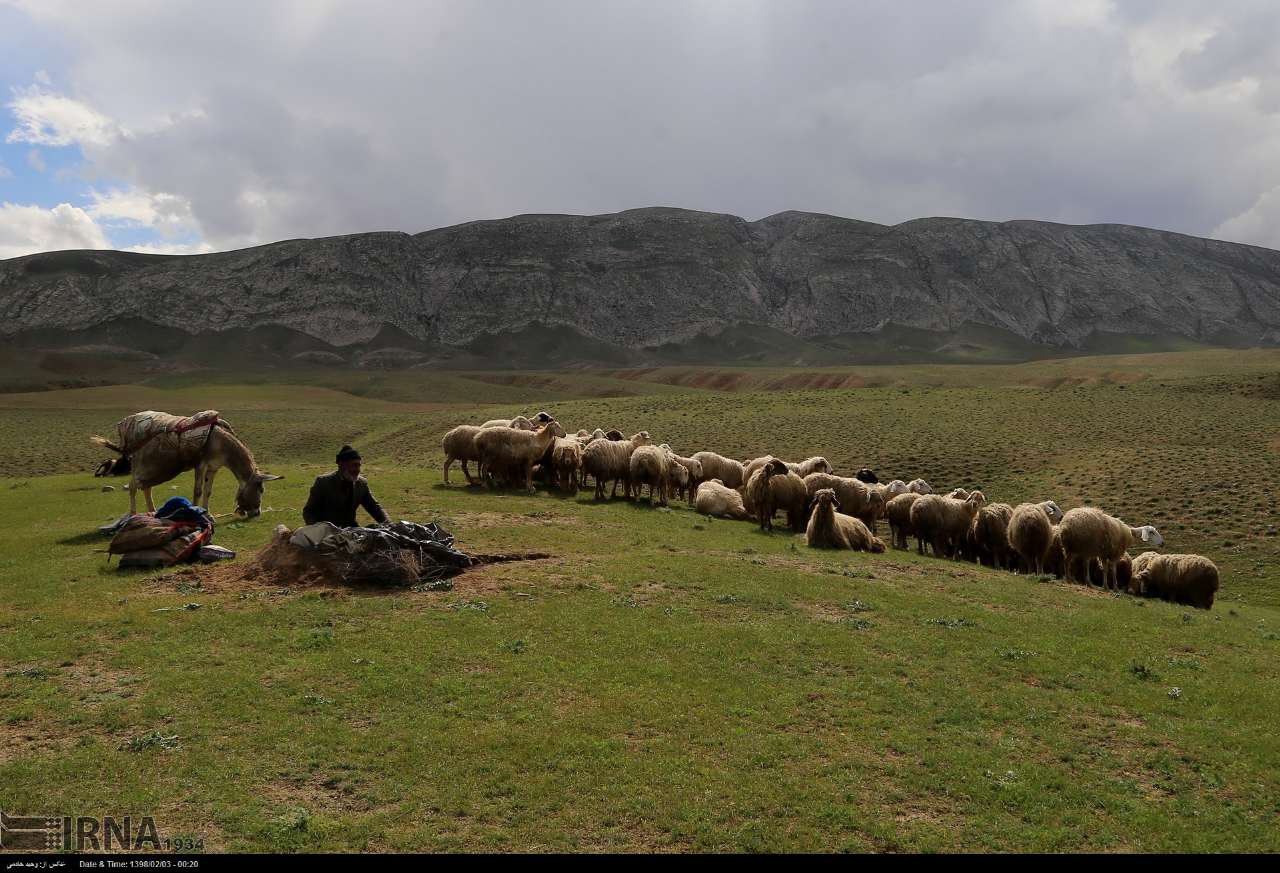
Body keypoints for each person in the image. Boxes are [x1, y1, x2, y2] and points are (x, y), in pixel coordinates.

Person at [302, 445, 389, 528]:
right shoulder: (323, 483)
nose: (358, 470)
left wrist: (390, 525)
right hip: (327, 533)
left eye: (359, 465)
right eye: (354, 465)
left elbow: (374, 507)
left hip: (351, 531)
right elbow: (309, 511)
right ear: (341, 465)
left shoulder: (361, 484)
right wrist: (317, 531)